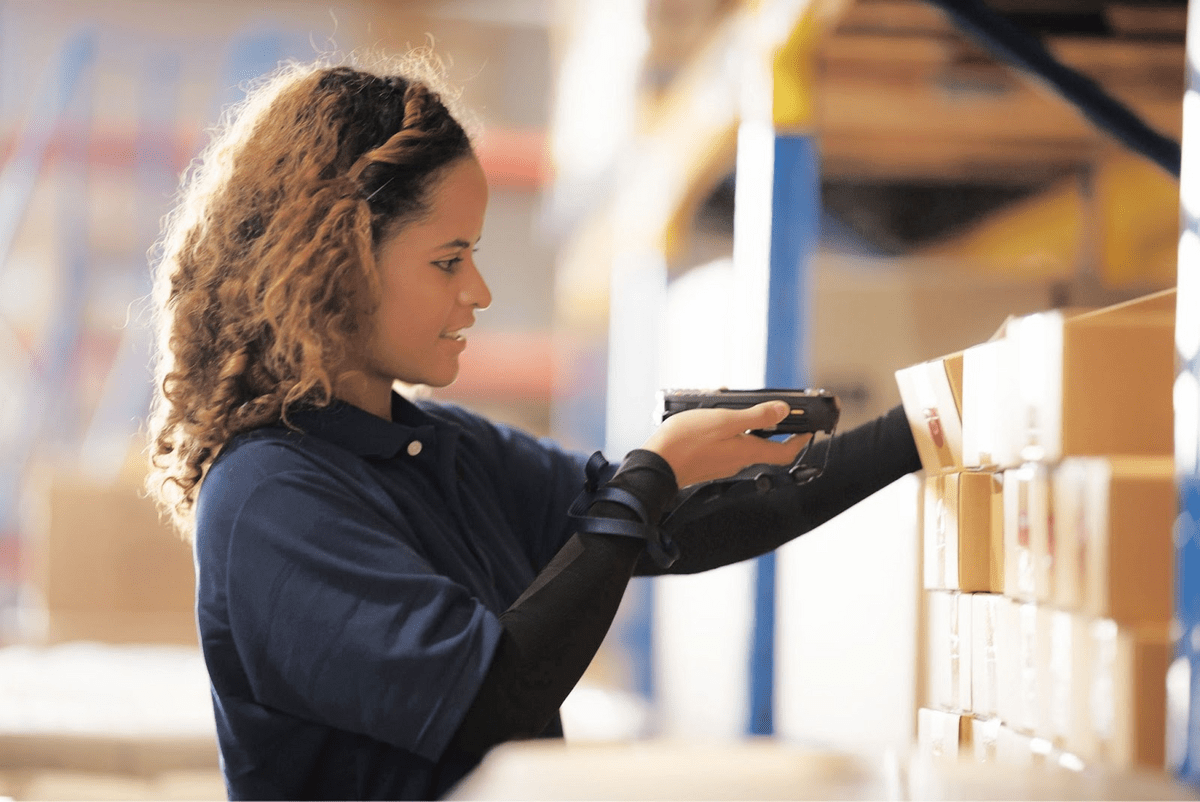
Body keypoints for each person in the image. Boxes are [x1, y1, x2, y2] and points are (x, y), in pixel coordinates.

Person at [145, 53, 922, 802]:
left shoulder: (444, 451)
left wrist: (922, 428)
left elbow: (681, 526)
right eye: (449, 261)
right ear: (337, 260)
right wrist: (649, 474)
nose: (478, 291)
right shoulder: (270, 497)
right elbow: (490, 702)